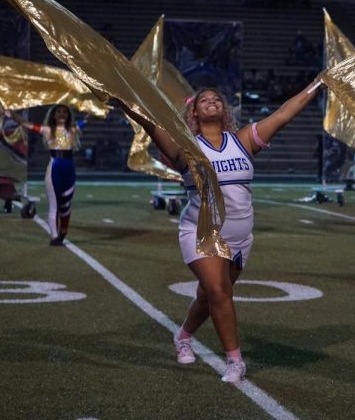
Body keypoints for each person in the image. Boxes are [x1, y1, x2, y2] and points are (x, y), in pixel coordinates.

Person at [119, 81, 320, 383]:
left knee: (207, 296)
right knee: (219, 292)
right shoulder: (185, 147)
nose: (212, 102)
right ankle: (235, 361)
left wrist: (318, 84)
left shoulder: (243, 140)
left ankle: (183, 336)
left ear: (223, 109)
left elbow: (283, 114)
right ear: (194, 113)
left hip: (241, 237)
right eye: (204, 101)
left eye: (217, 99)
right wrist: (122, 98)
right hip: (202, 232)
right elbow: (149, 121)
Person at [9, 106, 86, 246]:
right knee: (54, 205)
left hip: (69, 169)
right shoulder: (47, 130)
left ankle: (63, 233)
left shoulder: (73, 129)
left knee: (66, 206)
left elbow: (88, 117)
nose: (62, 114)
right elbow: (26, 123)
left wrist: (100, 108)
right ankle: (54, 237)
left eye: (64, 112)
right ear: (53, 115)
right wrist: (11, 113)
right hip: (54, 169)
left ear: (68, 115)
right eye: (59, 112)